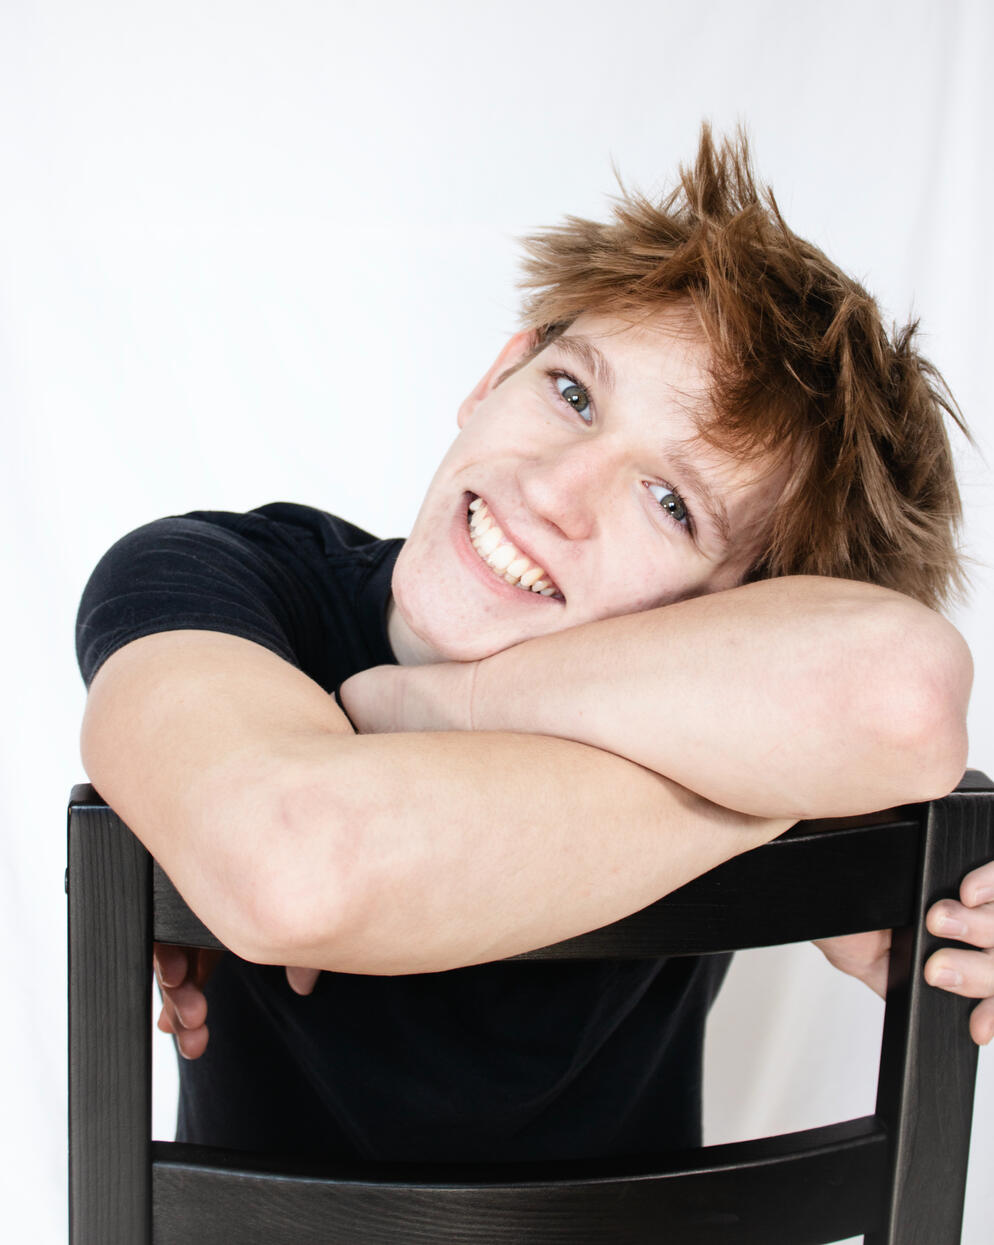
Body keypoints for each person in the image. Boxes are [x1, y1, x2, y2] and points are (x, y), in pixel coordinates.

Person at [76, 126, 992, 1164]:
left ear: (752, 617)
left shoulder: (758, 698)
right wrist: (766, 803)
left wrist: (430, 710)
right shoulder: (224, 574)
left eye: (669, 505)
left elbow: (906, 695)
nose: (555, 492)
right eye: (572, 394)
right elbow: (298, 865)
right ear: (499, 372)